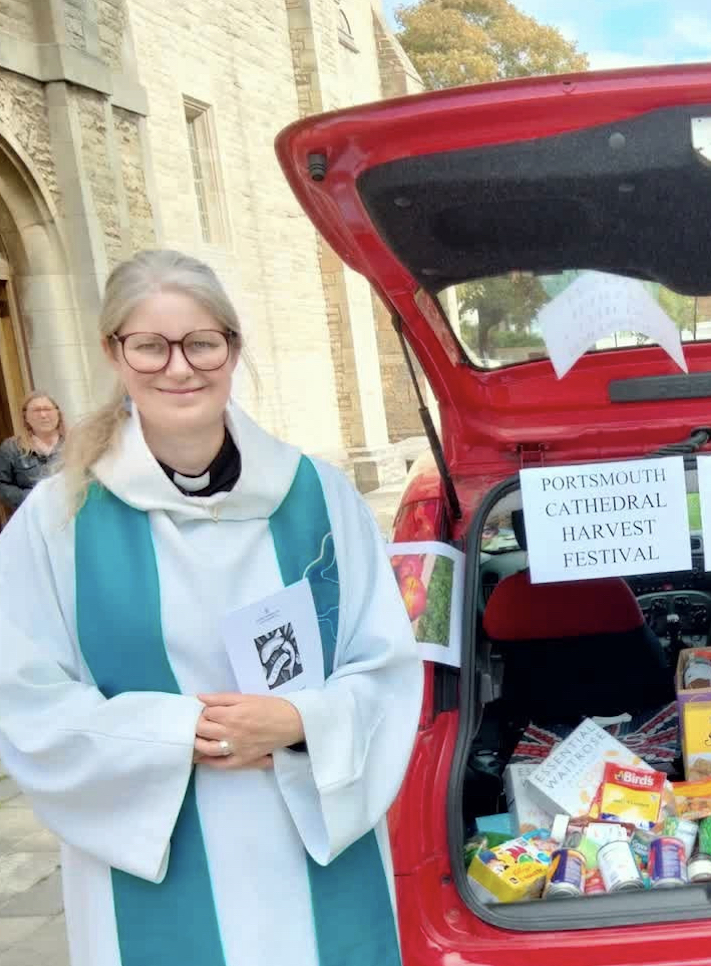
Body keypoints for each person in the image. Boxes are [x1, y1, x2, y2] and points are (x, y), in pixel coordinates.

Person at [0, 250, 422, 966]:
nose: (179, 367)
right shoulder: (57, 520)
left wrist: (299, 722)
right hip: (149, 852)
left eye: (201, 342)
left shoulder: (318, 495)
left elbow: (385, 663)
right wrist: (176, 732)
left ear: (232, 349)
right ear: (114, 352)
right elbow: (24, 699)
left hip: (309, 831)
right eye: (150, 345)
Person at [0, 390, 65, 511]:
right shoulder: (11, 447)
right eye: (36, 410)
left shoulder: (75, 443)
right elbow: (2, 484)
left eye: (47, 409)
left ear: (58, 413)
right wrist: (33, 498)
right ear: (26, 417)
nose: (43, 415)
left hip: (73, 514)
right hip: (31, 515)